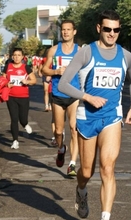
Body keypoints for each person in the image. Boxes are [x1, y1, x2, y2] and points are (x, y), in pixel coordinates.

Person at [58, 10, 131, 220]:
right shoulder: (86, 53)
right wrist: (86, 97)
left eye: (116, 30)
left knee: (108, 167)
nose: (112, 34)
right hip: (87, 117)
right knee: (86, 171)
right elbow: (64, 84)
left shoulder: (126, 56)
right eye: (107, 29)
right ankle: (81, 190)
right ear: (98, 29)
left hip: (112, 117)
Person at [42, 20, 80, 177]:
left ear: (74, 32)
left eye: (68, 30)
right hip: (58, 94)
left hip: (74, 95)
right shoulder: (53, 50)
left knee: (74, 128)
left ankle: (72, 164)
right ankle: (61, 148)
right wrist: (56, 72)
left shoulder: (80, 51)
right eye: (63, 30)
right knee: (58, 131)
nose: (65, 32)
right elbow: (43, 69)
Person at [3, 48, 37, 149]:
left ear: (22, 57)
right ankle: (15, 141)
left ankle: (25, 124)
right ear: (12, 56)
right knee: (14, 119)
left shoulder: (26, 67)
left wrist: (27, 82)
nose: (17, 57)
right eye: (15, 55)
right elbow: (2, 80)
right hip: (11, 97)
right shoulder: (7, 67)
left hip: (23, 97)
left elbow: (34, 80)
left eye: (19, 55)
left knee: (23, 119)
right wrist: (6, 83)